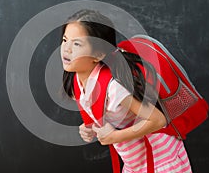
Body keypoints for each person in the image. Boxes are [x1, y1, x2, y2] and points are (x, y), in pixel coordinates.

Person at [60, 9, 192, 172]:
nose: (66, 49)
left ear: (98, 54)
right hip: (134, 162)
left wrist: (114, 137)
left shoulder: (114, 88)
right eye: (65, 40)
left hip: (160, 159)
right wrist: (89, 127)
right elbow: (104, 111)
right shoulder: (77, 81)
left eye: (77, 44)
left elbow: (158, 120)